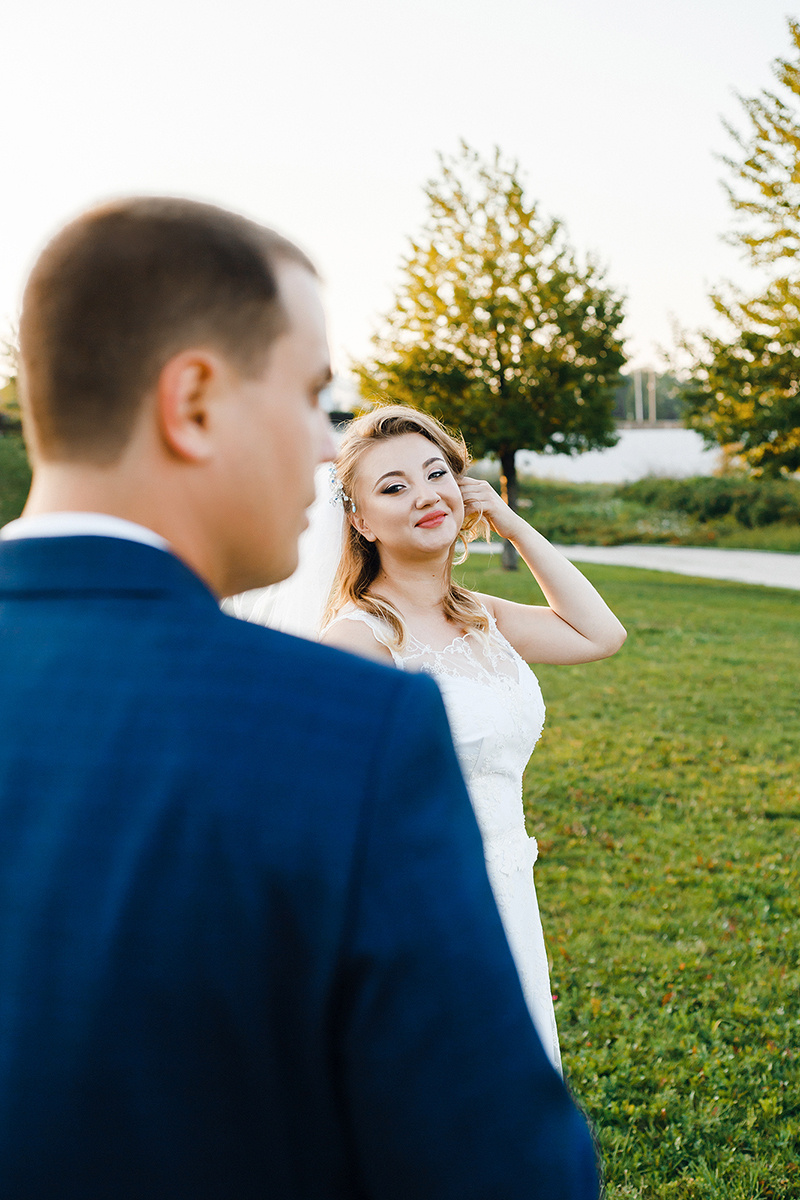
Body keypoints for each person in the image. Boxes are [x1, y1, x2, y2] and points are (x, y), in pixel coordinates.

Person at [0, 198, 600, 1198]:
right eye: (313, 396)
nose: (327, 450)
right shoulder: (344, 726)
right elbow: (496, 1163)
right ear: (194, 401)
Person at [321, 406, 628, 1071]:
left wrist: (512, 523)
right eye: (394, 486)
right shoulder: (357, 641)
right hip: (425, 905)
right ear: (360, 520)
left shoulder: (482, 615)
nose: (425, 495)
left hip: (509, 882)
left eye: (437, 474)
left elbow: (601, 634)